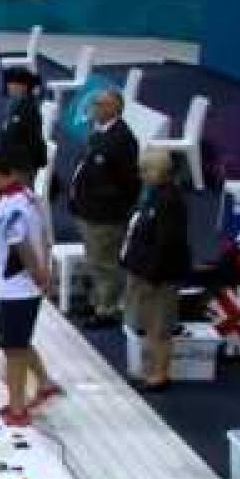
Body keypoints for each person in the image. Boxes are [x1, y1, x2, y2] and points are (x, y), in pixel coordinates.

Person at [0, 150, 60, 427]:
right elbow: (44, 235)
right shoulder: (28, 196)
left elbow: (21, 246)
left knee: (12, 349)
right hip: (24, 286)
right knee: (19, 341)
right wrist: (46, 272)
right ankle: (44, 384)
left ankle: (18, 408)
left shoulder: (12, 207)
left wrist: (41, 276)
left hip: (18, 288)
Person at [68, 89, 141, 328]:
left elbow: (129, 182)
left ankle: (106, 309)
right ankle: (97, 299)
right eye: (94, 103)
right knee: (95, 260)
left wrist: (111, 205)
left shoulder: (122, 139)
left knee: (105, 263)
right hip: (89, 211)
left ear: (114, 108)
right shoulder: (99, 133)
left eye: (100, 104)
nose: (94, 108)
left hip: (105, 214)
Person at [120, 149, 192, 392]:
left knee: (160, 328)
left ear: (159, 172)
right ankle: (150, 370)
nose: (140, 176)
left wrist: (152, 274)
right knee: (149, 325)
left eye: (144, 171)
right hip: (148, 272)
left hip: (161, 276)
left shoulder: (169, 201)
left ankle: (160, 375)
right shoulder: (154, 195)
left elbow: (167, 243)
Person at [0, 67, 48, 186]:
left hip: (22, 163)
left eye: (13, 83)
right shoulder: (16, 104)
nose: (9, 86)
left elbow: (27, 138)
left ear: (23, 86)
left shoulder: (27, 108)